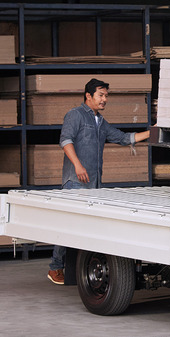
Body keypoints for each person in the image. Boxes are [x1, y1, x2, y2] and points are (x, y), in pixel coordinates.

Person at [47, 78, 150, 285]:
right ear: (88, 96)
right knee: (68, 225)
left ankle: (77, 269)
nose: (104, 100)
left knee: (85, 227)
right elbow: (65, 140)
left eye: (106, 96)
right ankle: (55, 267)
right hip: (75, 181)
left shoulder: (101, 122)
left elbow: (124, 138)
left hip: (94, 184)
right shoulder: (75, 115)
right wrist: (77, 165)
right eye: (101, 95)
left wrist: (153, 131)